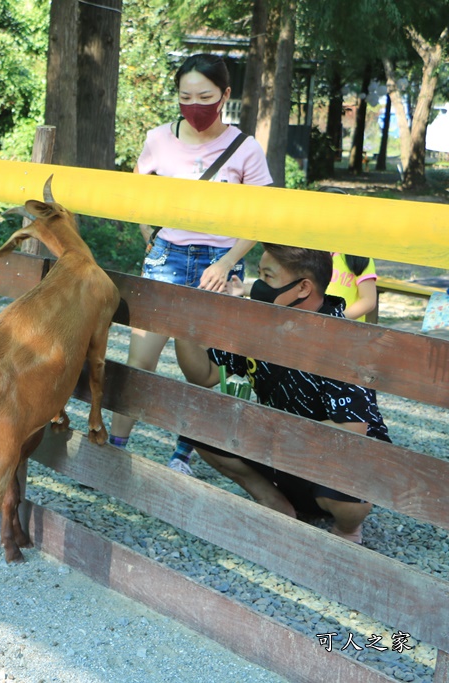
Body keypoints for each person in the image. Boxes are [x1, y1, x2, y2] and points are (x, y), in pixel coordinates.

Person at [106, 53, 273, 476]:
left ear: (225, 95)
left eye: (204, 96)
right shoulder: (159, 139)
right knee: (139, 360)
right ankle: (113, 449)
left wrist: (230, 262)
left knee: (200, 370)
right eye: (185, 96)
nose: (194, 104)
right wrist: (149, 236)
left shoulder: (245, 148)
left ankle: (185, 453)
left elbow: (262, 216)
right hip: (166, 258)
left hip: (219, 265)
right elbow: (135, 191)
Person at [174, 244, 391, 544]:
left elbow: (351, 428)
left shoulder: (342, 340)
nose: (257, 285)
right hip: (280, 452)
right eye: (258, 274)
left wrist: (265, 433)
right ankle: (273, 500)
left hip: (328, 464)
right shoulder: (260, 324)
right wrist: (185, 325)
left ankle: (348, 528)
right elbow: (204, 374)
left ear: (303, 287)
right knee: (199, 420)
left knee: (352, 485)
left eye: (267, 276)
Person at [328, 253, 378, 322]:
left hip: (347, 327)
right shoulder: (316, 254)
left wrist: (340, 317)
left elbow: (368, 300)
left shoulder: (359, 258)